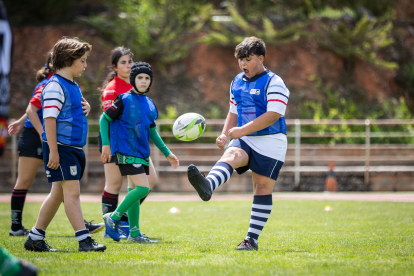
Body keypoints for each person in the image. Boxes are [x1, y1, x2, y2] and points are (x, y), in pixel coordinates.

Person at [187, 37, 289, 251]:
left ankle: (251, 240)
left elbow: (273, 115)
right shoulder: (237, 81)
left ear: (261, 58)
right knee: (231, 155)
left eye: (248, 59)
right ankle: (208, 185)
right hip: (245, 138)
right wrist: (225, 135)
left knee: (261, 188)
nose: (243, 64)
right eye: (240, 60)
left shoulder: (274, 81)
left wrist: (242, 130)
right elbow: (233, 111)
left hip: (272, 141)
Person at [23, 37, 106, 252]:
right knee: (72, 194)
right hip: (62, 148)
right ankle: (84, 240)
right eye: (83, 61)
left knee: (57, 195)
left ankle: (34, 238)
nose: (85, 65)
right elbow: (49, 119)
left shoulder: (72, 84)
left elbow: (68, 111)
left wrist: (84, 108)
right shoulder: (54, 86)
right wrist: (53, 151)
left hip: (73, 148)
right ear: (69, 60)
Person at [101, 62, 179, 242]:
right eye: (140, 78)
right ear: (133, 79)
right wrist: (106, 144)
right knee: (143, 188)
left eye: (147, 78)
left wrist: (167, 153)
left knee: (134, 189)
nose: (143, 81)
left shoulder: (150, 104)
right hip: (126, 151)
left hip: (142, 153)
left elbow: (152, 132)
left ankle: (134, 234)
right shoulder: (123, 99)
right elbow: (104, 120)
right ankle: (113, 217)